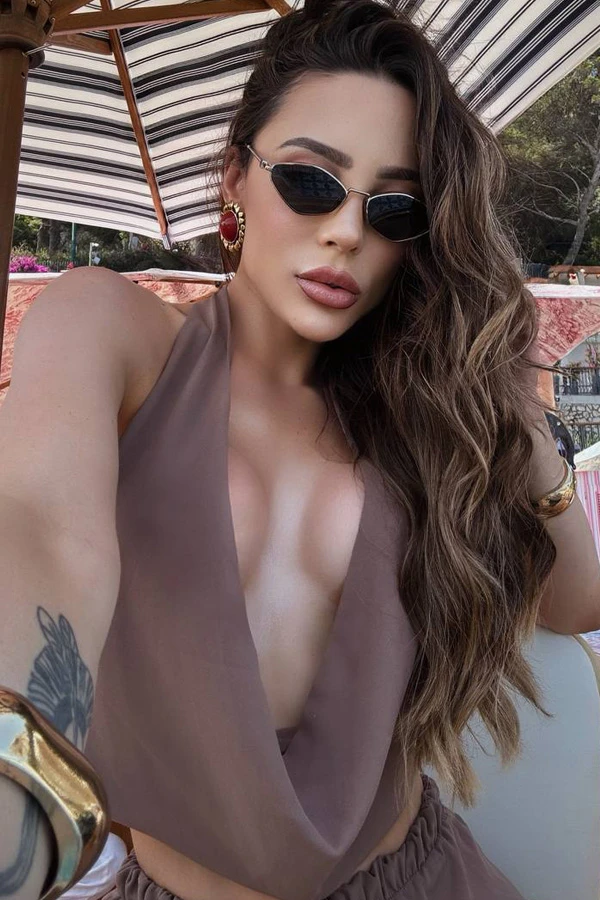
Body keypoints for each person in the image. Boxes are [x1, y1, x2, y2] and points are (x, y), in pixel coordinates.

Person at [1, 2, 600, 899]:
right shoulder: (112, 330)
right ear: (235, 176)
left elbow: (577, 601)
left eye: (394, 207)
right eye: (312, 182)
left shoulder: (418, 405)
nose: (347, 231)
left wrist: (514, 417)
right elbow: (44, 533)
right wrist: (17, 792)